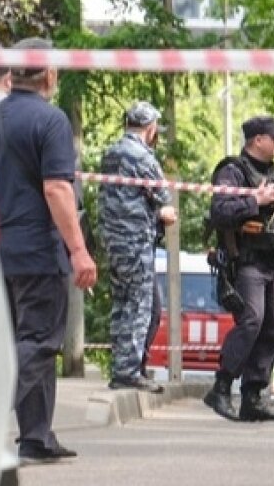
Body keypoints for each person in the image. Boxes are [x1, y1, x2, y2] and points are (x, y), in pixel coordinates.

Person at [0, 37, 97, 465]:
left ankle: (36, 436)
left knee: (17, 340)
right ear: (49, 74)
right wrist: (79, 250)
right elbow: (57, 188)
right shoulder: (51, 121)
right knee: (40, 341)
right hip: (38, 250)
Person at [202, 115, 274, 422]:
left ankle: (253, 396)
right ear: (258, 140)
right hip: (249, 260)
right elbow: (220, 211)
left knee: (273, 328)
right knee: (251, 321)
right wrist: (255, 200)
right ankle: (220, 387)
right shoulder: (233, 171)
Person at [98, 101, 177, 393]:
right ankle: (129, 371)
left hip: (112, 241)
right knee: (142, 304)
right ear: (150, 127)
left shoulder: (110, 152)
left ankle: (120, 367)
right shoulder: (144, 158)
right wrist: (164, 214)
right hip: (135, 241)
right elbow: (163, 202)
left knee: (120, 302)